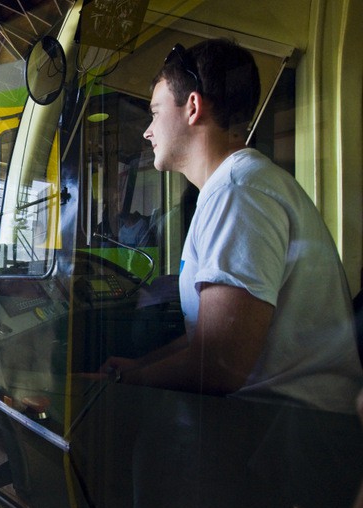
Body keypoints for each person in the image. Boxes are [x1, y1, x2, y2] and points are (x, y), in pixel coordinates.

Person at [100, 38, 363, 413]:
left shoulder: (238, 191)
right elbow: (207, 337)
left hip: (288, 434)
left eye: (155, 113)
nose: (147, 130)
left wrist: (119, 382)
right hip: (274, 426)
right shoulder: (234, 185)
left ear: (192, 107)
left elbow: (219, 366)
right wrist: (140, 366)